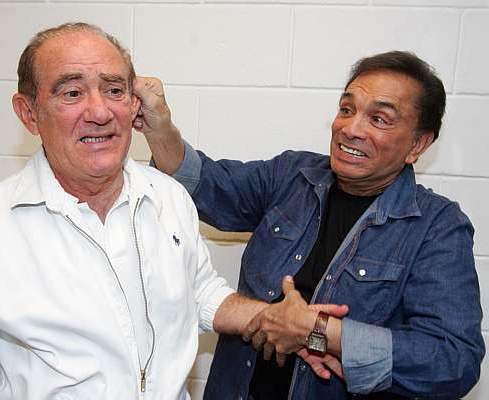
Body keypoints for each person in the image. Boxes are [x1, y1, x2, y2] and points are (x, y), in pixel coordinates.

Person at [0, 22, 323, 399]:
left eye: (114, 90)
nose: (100, 112)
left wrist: (273, 318)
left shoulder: (169, 197)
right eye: (72, 92)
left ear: (134, 105)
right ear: (29, 113)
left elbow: (197, 291)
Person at [134, 51, 485, 399]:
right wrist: (160, 128)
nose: (351, 129)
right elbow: (206, 185)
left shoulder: (438, 227)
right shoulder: (293, 175)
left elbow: (454, 361)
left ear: (417, 144)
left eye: (379, 119)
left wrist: (319, 332)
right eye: (346, 109)